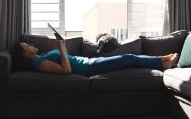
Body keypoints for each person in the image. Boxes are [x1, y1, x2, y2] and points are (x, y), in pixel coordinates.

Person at [11, 40, 179, 77]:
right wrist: (61, 48)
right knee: (127, 58)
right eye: (26, 46)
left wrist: (61, 48)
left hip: (88, 63)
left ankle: (163, 61)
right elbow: (66, 70)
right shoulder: (39, 62)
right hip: (88, 68)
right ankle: (163, 61)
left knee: (126, 59)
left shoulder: (41, 56)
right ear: (25, 54)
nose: (30, 45)